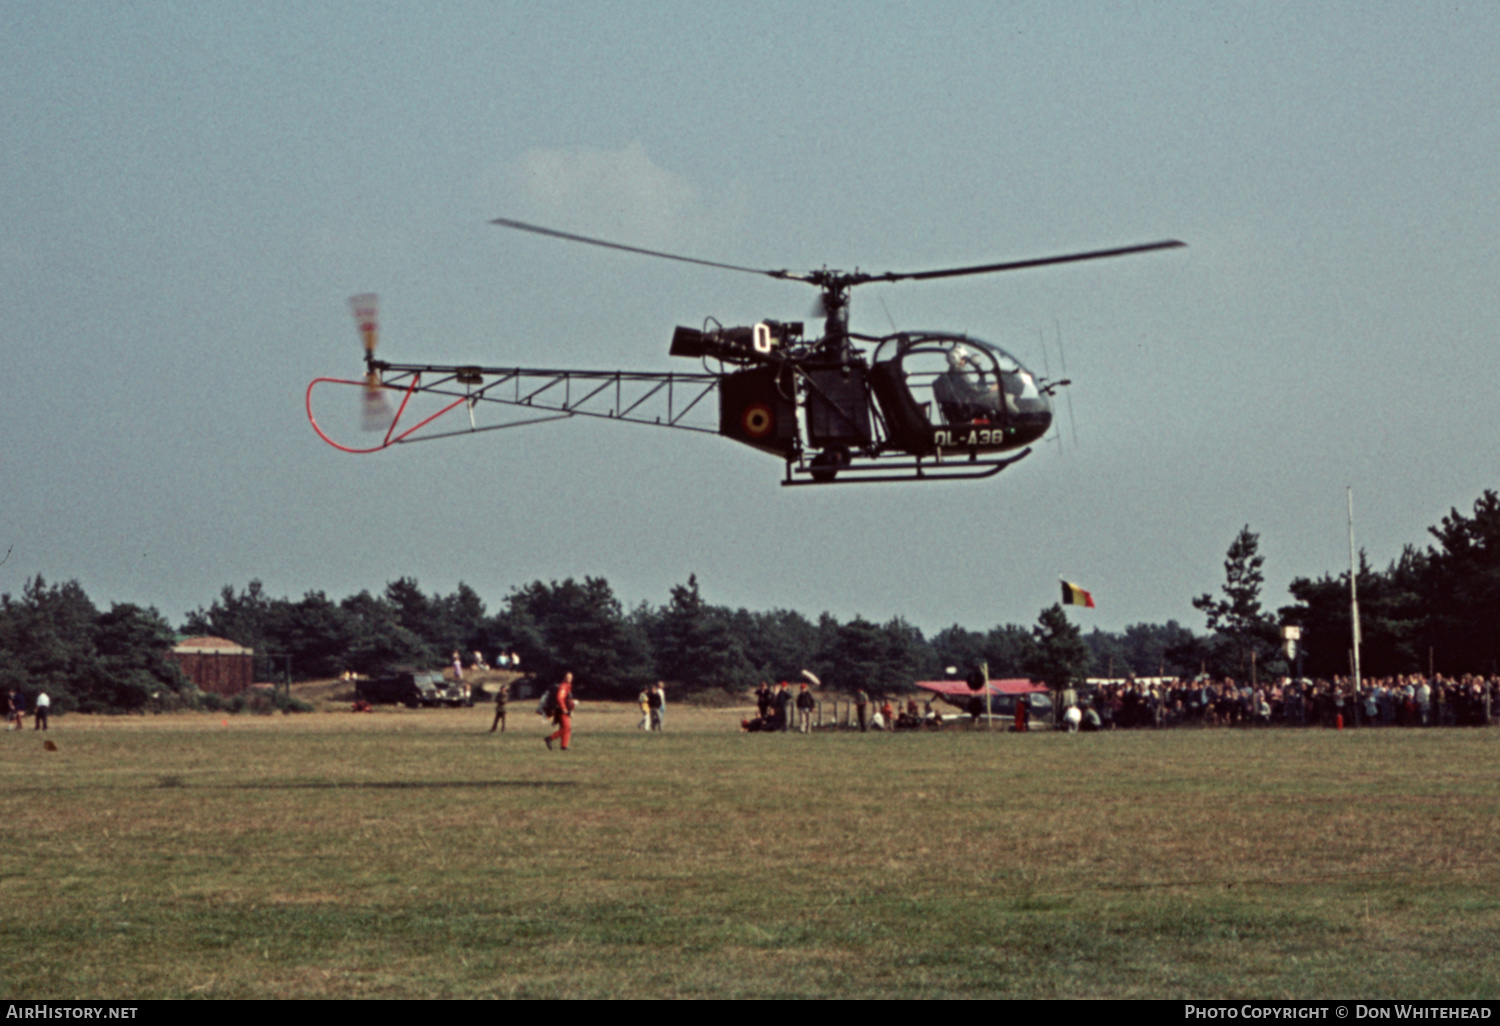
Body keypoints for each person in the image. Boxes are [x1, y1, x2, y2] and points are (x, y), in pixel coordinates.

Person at [544, 672, 576, 751]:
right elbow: (559, 698)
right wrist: (564, 708)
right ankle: (550, 738)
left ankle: (564, 746)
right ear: (564, 678)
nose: (569, 679)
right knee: (566, 728)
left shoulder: (568, 686)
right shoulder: (563, 686)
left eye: (571, 677)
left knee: (567, 728)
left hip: (566, 710)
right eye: (568, 677)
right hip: (562, 710)